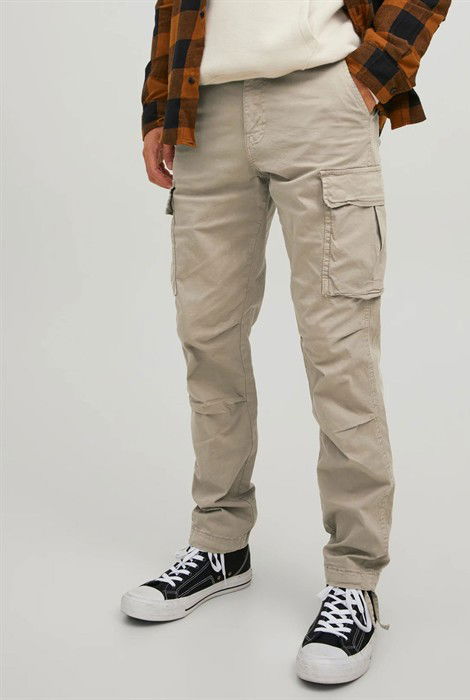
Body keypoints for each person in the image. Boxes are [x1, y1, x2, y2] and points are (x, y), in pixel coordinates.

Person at [121, 0, 450, 684]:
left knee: (339, 347)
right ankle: (220, 544)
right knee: (207, 338)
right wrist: (159, 105)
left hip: (321, 94)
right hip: (205, 106)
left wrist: (372, 76)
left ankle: (355, 579)